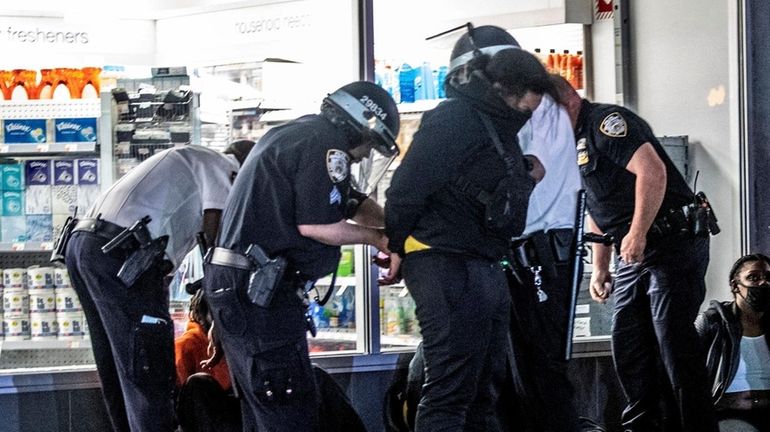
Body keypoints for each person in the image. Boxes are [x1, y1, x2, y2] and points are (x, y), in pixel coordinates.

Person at [202, 80, 399, 431]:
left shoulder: (300, 134)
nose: (367, 154)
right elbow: (317, 225)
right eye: (370, 144)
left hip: (244, 289)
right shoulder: (327, 146)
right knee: (287, 409)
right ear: (357, 125)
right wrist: (380, 239)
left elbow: (350, 200)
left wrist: (395, 228)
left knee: (263, 410)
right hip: (261, 294)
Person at [383, 25, 551, 431]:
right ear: (502, 87)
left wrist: (524, 174)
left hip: (480, 263)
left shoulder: (492, 125)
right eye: (525, 106)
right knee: (451, 391)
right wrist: (397, 247)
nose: (526, 114)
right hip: (446, 263)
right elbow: (406, 188)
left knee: (482, 390)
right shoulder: (456, 118)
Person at [553, 76, 719, 431]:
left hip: (671, 241)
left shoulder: (606, 123)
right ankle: (644, 426)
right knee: (628, 343)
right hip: (634, 251)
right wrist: (600, 267)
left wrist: (638, 232)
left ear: (568, 102)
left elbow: (652, 171)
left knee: (672, 341)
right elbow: (597, 206)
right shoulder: (572, 141)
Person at [63, 140, 255, 432]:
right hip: (123, 255)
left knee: (119, 369)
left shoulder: (186, 160)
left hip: (85, 247)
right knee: (148, 369)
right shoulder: (223, 166)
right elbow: (218, 247)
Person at [505, 75, 582, 432]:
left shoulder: (547, 122)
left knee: (543, 368)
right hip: (529, 253)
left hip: (544, 254)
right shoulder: (543, 125)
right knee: (525, 368)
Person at [695, 253, 770, 432]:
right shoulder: (712, 322)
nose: (763, 283)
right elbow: (684, 372)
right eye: (753, 277)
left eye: (768, 277)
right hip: (729, 413)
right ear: (735, 286)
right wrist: (713, 402)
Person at [175, 289, 241, 432]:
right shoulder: (185, 345)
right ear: (200, 315)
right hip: (204, 418)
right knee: (198, 383)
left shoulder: (237, 343)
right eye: (215, 312)